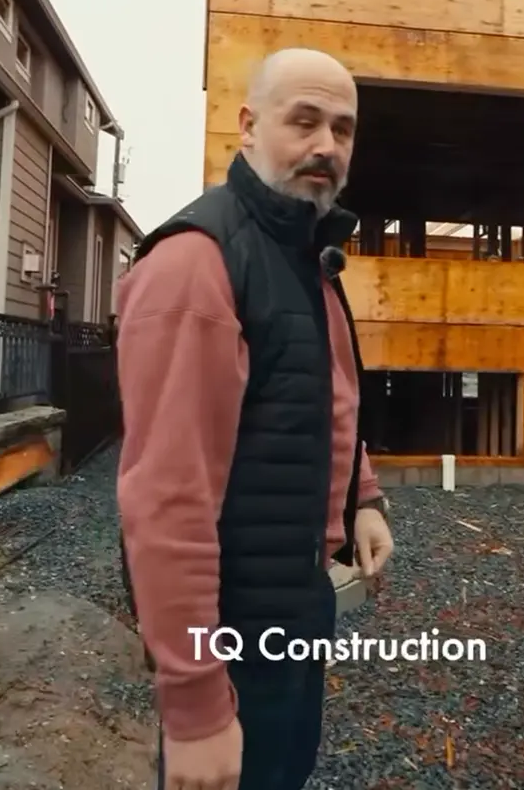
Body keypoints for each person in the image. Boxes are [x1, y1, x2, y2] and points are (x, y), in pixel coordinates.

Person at [116, 47, 395, 790]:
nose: (326, 145)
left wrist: (361, 498)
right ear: (247, 126)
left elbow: (326, 391)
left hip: (297, 604)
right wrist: (195, 706)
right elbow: (167, 499)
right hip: (233, 627)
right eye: (304, 121)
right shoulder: (197, 264)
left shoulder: (305, 252)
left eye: (342, 128)